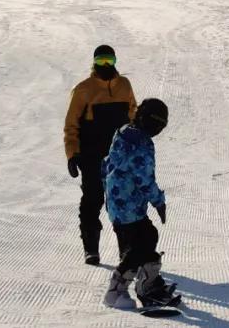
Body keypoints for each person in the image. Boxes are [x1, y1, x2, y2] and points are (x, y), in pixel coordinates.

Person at [102, 98, 181, 310]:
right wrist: (159, 201)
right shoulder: (141, 143)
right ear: (147, 121)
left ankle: (150, 285)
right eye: (158, 127)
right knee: (136, 249)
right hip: (127, 208)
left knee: (148, 237)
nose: (158, 132)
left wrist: (108, 191)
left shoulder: (124, 132)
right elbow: (144, 178)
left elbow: (106, 164)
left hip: (123, 205)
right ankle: (115, 292)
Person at [64, 45, 137, 265]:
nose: (105, 66)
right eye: (101, 61)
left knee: (122, 202)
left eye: (110, 61)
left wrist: (137, 143)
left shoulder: (124, 85)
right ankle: (91, 249)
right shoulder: (83, 89)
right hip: (92, 155)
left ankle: (127, 250)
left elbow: (133, 113)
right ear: (94, 63)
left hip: (119, 156)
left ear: (115, 62)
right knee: (92, 200)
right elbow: (71, 124)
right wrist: (72, 154)